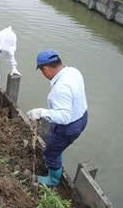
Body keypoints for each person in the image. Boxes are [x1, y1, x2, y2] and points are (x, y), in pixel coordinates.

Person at [27, 50, 88, 187]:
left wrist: (41, 112)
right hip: (82, 116)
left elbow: (64, 117)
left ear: (46, 68)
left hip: (69, 125)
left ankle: (52, 180)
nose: (43, 75)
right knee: (55, 142)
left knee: (51, 151)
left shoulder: (60, 89)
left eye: (42, 71)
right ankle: (54, 159)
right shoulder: (73, 71)